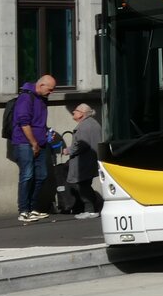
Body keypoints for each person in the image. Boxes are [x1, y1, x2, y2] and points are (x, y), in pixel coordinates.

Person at [11, 74, 56, 223]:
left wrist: (46, 134)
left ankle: (33, 208)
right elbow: (24, 123)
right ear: (41, 85)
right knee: (27, 175)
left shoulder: (41, 99)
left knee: (42, 175)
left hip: (40, 142)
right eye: (50, 89)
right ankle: (24, 210)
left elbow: (38, 122)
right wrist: (33, 143)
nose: (51, 92)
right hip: (25, 142)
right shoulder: (26, 98)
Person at [65, 103, 103, 219]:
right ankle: (92, 208)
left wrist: (69, 150)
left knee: (82, 186)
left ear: (81, 114)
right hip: (90, 160)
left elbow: (82, 145)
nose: (73, 112)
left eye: (76, 110)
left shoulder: (84, 126)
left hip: (84, 161)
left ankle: (90, 210)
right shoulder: (93, 123)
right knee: (85, 185)